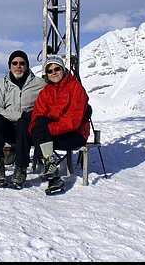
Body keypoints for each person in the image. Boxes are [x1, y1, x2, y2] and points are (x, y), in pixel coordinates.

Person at [29, 54, 90, 194]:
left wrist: (47, 130)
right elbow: (38, 114)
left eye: (57, 69)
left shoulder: (75, 88)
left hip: (75, 134)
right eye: (49, 71)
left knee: (41, 135)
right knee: (39, 125)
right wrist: (36, 129)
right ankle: (53, 175)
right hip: (53, 133)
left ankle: (53, 174)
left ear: (63, 69)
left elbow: (73, 120)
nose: (54, 73)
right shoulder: (46, 92)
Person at [0, 50, 45, 189]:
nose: (18, 66)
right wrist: (19, 115)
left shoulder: (39, 83)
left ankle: (20, 169)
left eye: (22, 63)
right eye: (15, 63)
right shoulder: (3, 84)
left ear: (27, 65)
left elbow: (48, 102)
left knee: (24, 123)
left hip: (27, 129)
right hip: (9, 128)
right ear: (10, 65)